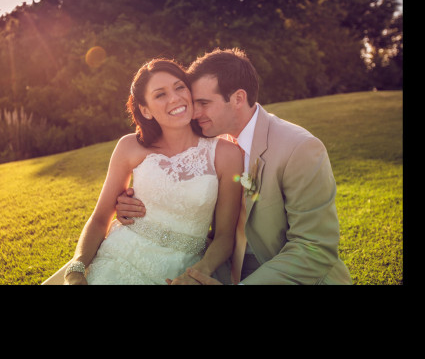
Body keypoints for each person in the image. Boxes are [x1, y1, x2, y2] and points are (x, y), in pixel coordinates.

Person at [117, 48, 352, 284]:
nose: (194, 112)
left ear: (238, 99)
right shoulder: (213, 144)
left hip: (281, 273)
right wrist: (137, 206)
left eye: (204, 103)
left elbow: (314, 248)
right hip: (223, 267)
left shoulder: (299, 148)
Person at [63, 58, 243, 285]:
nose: (175, 98)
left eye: (180, 87)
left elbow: (224, 237)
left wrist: (197, 274)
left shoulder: (226, 154)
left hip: (183, 270)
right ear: (145, 110)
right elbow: (100, 219)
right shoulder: (129, 146)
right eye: (160, 94)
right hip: (119, 258)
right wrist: (76, 270)